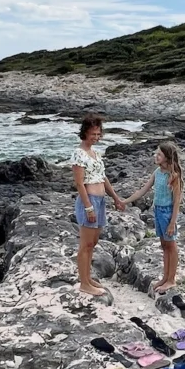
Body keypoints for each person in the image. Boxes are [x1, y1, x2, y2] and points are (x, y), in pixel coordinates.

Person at [71, 114, 124, 296]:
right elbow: (79, 183)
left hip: (101, 201)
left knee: (93, 243)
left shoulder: (96, 153)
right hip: (90, 201)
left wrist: (116, 198)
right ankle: (84, 283)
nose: (96, 137)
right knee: (85, 244)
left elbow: (103, 178)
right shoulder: (79, 154)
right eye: (93, 134)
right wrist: (88, 207)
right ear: (85, 132)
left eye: (98, 134)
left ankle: (87, 277)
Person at [124, 141, 184, 293]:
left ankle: (171, 280)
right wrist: (124, 201)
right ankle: (165, 277)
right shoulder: (157, 172)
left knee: (171, 246)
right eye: (156, 153)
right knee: (164, 246)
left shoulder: (174, 176)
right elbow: (142, 191)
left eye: (159, 154)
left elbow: (177, 201)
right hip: (157, 211)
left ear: (167, 158)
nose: (155, 156)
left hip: (168, 212)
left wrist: (172, 222)